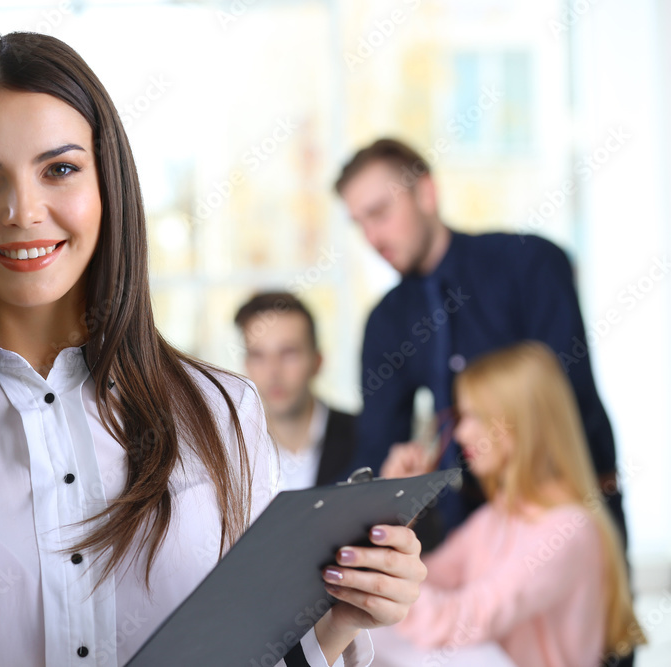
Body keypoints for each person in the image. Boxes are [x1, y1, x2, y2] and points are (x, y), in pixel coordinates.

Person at [0, 33, 427, 667]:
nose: (23, 210)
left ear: (107, 184)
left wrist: (348, 612)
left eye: (59, 169)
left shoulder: (223, 411)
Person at [334, 138, 625, 544]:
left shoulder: (528, 265)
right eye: (358, 223)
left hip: (572, 514)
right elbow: (378, 443)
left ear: (426, 193)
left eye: (379, 212)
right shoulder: (387, 320)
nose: (372, 236)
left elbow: (561, 403)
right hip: (470, 534)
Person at [381, 341, 645, 667]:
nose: (461, 433)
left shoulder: (566, 530)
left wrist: (380, 576)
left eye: (475, 416)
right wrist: (401, 503)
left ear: (522, 423)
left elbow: (462, 620)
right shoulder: (500, 515)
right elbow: (431, 576)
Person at [234, 292, 360, 489]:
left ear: (317, 361)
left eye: (288, 353)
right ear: (246, 365)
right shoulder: (229, 450)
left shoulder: (365, 436)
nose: (273, 372)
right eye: (258, 355)